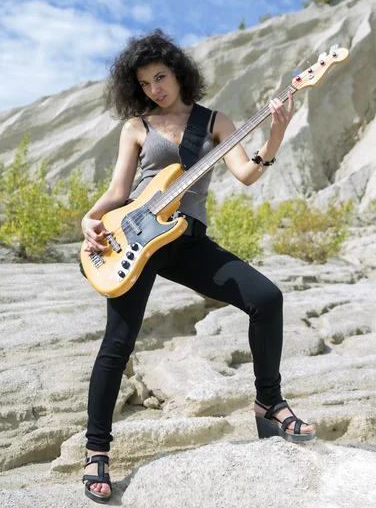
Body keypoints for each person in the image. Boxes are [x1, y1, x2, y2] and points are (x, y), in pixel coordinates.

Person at [80, 28, 315, 503]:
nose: (155, 89)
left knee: (267, 298)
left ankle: (268, 402)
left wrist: (276, 132)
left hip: (185, 238)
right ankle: (96, 451)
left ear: (178, 73)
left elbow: (247, 174)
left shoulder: (214, 122)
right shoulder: (137, 127)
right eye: (145, 84)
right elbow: (118, 192)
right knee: (118, 342)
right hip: (134, 238)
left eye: (161, 77)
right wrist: (90, 218)